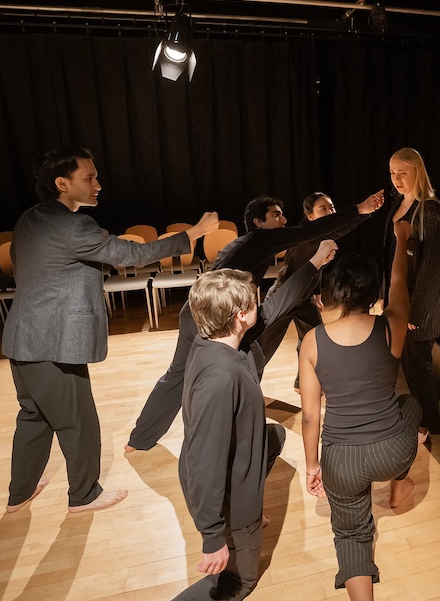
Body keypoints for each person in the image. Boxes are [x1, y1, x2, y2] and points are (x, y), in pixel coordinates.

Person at [1, 147, 218, 513]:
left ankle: (19, 492)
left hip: (23, 335)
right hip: (53, 340)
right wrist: (194, 233)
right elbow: (130, 256)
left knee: (34, 416)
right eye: (89, 177)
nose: (98, 184)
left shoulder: (28, 219)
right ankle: (84, 495)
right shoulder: (73, 225)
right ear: (62, 183)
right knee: (78, 421)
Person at [125, 191, 383, 452]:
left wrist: (361, 213)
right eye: (275, 215)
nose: (283, 220)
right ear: (259, 222)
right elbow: (311, 232)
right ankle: (238, 432)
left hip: (194, 310)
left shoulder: (243, 243)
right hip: (221, 319)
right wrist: (360, 209)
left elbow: (314, 232)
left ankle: (139, 439)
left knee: (178, 375)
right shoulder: (262, 239)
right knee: (248, 364)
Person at [173, 240, 338, 601]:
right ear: (239, 316)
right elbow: (204, 463)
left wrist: (314, 262)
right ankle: (237, 526)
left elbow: (279, 304)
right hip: (222, 492)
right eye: (252, 302)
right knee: (239, 583)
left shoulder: (221, 339)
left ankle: (240, 515)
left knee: (274, 436)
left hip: (237, 454)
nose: (259, 305)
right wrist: (212, 537)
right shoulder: (220, 379)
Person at [299, 221, 421, 601]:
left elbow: (309, 416)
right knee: (412, 405)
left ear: (335, 291)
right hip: (392, 452)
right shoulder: (391, 326)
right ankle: (401, 481)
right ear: (374, 292)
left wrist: (313, 466)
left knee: (351, 533)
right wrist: (401, 241)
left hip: (342, 461)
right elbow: (400, 284)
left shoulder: (312, 341)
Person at [255, 192, 364, 390]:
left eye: (331, 208)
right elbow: (339, 230)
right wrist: (363, 210)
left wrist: (317, 295)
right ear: (311, 217)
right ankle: (244, 384)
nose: (330, 212)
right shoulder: (309, 235)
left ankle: (302, 381)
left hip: (303, 297)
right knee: (263, 347)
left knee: (314, 338)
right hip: (284, 295)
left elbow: (316, 268)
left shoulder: (320, 236)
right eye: (323, 209)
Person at [384, 148, 440, 443]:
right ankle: (419, 419)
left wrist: (416, 314)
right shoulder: (399, 203)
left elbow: (433, 269)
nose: (396, 178)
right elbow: (391, 257)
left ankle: (428, 424)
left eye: (403, 172)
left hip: (419, 309)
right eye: (392, 172)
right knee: (407, 366)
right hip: (400, 304)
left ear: (417, 173)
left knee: (419, 367)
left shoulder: (430, 210)